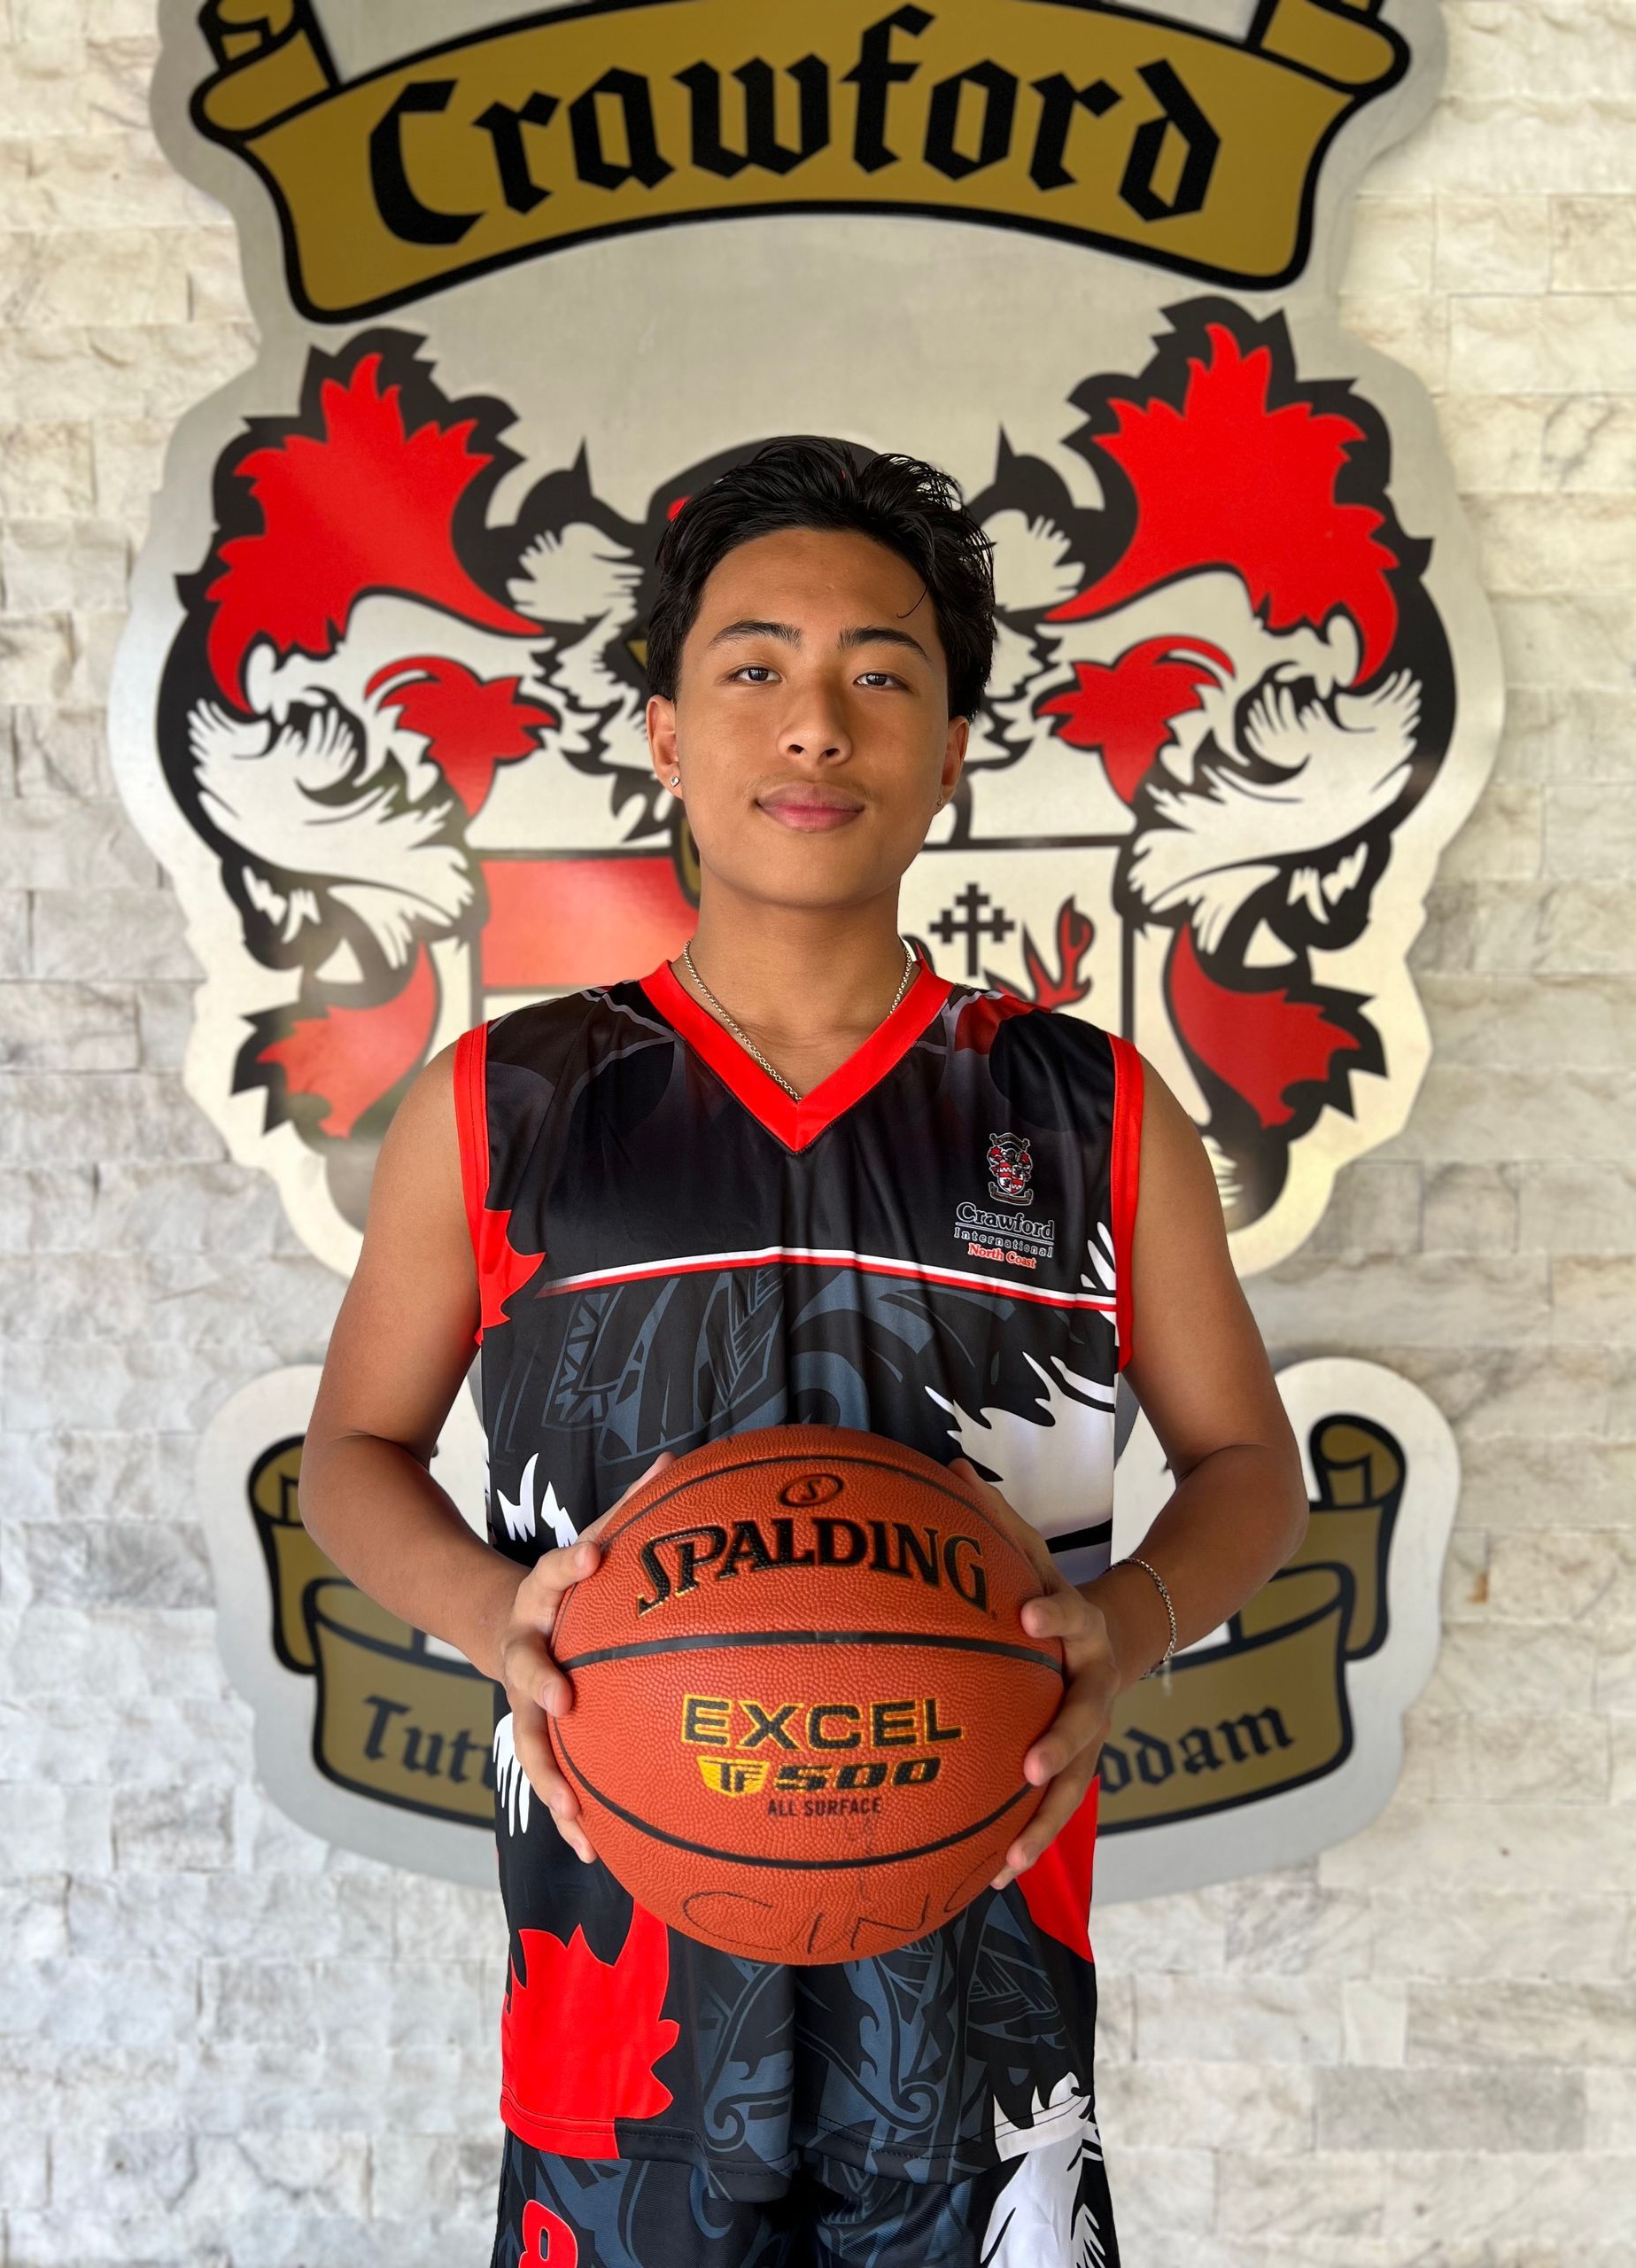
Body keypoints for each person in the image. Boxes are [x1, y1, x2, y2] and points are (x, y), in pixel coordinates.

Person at [298, 437, 1309, 2267]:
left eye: (881, 675)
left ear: (951, 745)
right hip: (618, 2012)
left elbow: (1249, 1465)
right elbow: (348, 1456)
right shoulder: (505, 1103)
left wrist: (1132, 1626)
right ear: (671, 736)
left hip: (989, 2026)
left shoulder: (1087, 1111)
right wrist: (486, 1607)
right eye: (753, 668)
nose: (816, 724)